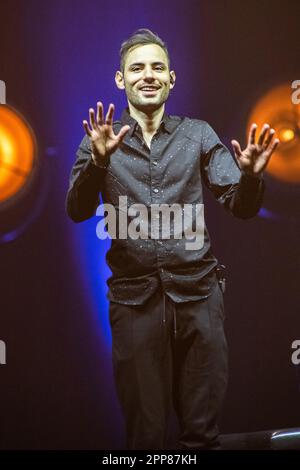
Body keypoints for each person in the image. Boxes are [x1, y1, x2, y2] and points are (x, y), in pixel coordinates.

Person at [66, 28, 279, 450]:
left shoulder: (197, 134)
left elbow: (240, 204)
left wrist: (252, 176)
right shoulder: (100, 140)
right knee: (145, 437)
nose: (148, 75)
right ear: (120, 79)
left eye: (157, 67)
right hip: (133, 302)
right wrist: (97, 162)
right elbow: (76, 209)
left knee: (200, 436)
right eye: (137, 68)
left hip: (199, 296)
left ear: (171, 79)